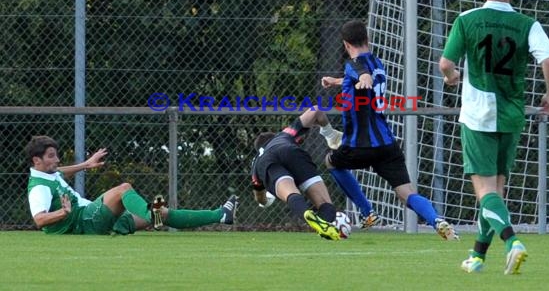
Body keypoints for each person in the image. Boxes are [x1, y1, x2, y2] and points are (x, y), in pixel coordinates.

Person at [439, 0, 549, 275]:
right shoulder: (527, 24)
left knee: (485, 192)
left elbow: (445, 63)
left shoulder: (467, 19)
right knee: (496, 192)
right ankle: (477, 257)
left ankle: (512, 242)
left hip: (478, 115)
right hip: (510, 115)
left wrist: (451, 76)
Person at [321, 19, 458, 241]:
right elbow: (359, 75)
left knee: (331, 161)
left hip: (360, 144)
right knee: (406, 193)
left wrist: (362, 75)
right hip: (386, 144)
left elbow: (357, 70)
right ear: (367, 39)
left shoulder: (354, 64)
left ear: (346, 44)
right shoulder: (377, 62)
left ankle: (367, 212)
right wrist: (337, 81)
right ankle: (437, 220)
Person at [26, 135, 238, 235]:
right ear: (37, 161)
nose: (57, 160)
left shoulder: (49, 174)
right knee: (124, 188)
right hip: (84, 221)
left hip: (88, 219)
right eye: (52, 156)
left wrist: (86, 165)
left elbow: (61, 172)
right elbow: (39, 220)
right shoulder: (39, 188)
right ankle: (150, 215)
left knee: (162, 213)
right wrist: (63, 213)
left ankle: (220, 215)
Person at [251, 108, 345, 240]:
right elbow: (316, 110)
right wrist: (329, 133)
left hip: (267, 163)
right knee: (325, 204)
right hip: (290, 150)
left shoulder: (256, 162)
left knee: (291, 194)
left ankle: (306, 213)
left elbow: (259, 196)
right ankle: (324, 226)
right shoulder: (283, 135)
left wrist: (265, 202)